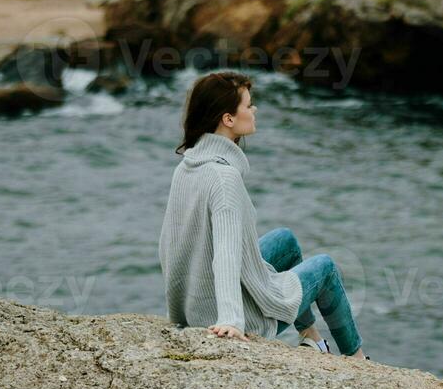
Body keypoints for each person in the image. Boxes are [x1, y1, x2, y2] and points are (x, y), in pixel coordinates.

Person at [157, 71, 366, 358]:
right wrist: (231, 319)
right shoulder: (224, 178)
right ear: (228, 119)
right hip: (224, 314)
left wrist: (178, 314)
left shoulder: (187, 167)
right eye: (248, 105)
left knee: (285, 240)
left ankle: (313, 340)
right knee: (326, 268)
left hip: (195, 306)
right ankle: (358, 359)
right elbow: (227, 254)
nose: (254, 110)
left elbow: (169, 246)